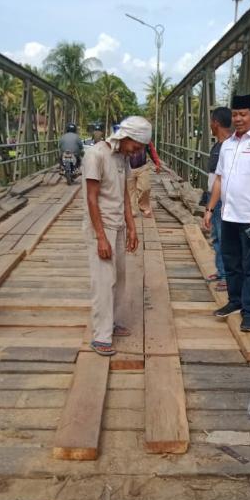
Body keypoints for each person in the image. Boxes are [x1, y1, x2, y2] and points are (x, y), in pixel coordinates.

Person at [204, 93, 250, 332]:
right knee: (232, 263)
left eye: (243, 114)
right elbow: (219, 180)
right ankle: (235, 301)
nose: (238, 119)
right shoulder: (227, 145)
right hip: (228, 216)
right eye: (235, 114)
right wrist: (210, 209)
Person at [83, 116, 152, 356]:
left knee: (119, 277)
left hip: (119, 224)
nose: (138, 151)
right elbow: (91, 198)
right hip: (101, 226)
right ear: (126, 137)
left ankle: (110, 322)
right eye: (137, 145)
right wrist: (101, 237)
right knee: (103, 280)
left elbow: (123, 193)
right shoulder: (96, 155)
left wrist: (132, 226)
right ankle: (101, 337)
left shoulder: (122, 158)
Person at [205, 106, 232, 291]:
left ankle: (227, 276)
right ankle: (221, 270)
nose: (210, 125)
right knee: (216, 236)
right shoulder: (217, 145)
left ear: (216, 123)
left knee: (224, 237)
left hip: (224, 199)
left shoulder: (230, 146)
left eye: (211, 122)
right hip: (213, 197)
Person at [127, 139, 161, 217]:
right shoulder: (126, 137)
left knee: (145, 187)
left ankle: (143, 206)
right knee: (130, 191)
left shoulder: (145, 138)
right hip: (128, 168)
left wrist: (157, 163)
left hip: (142, 167)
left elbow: (152, 151)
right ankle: (132, 210)